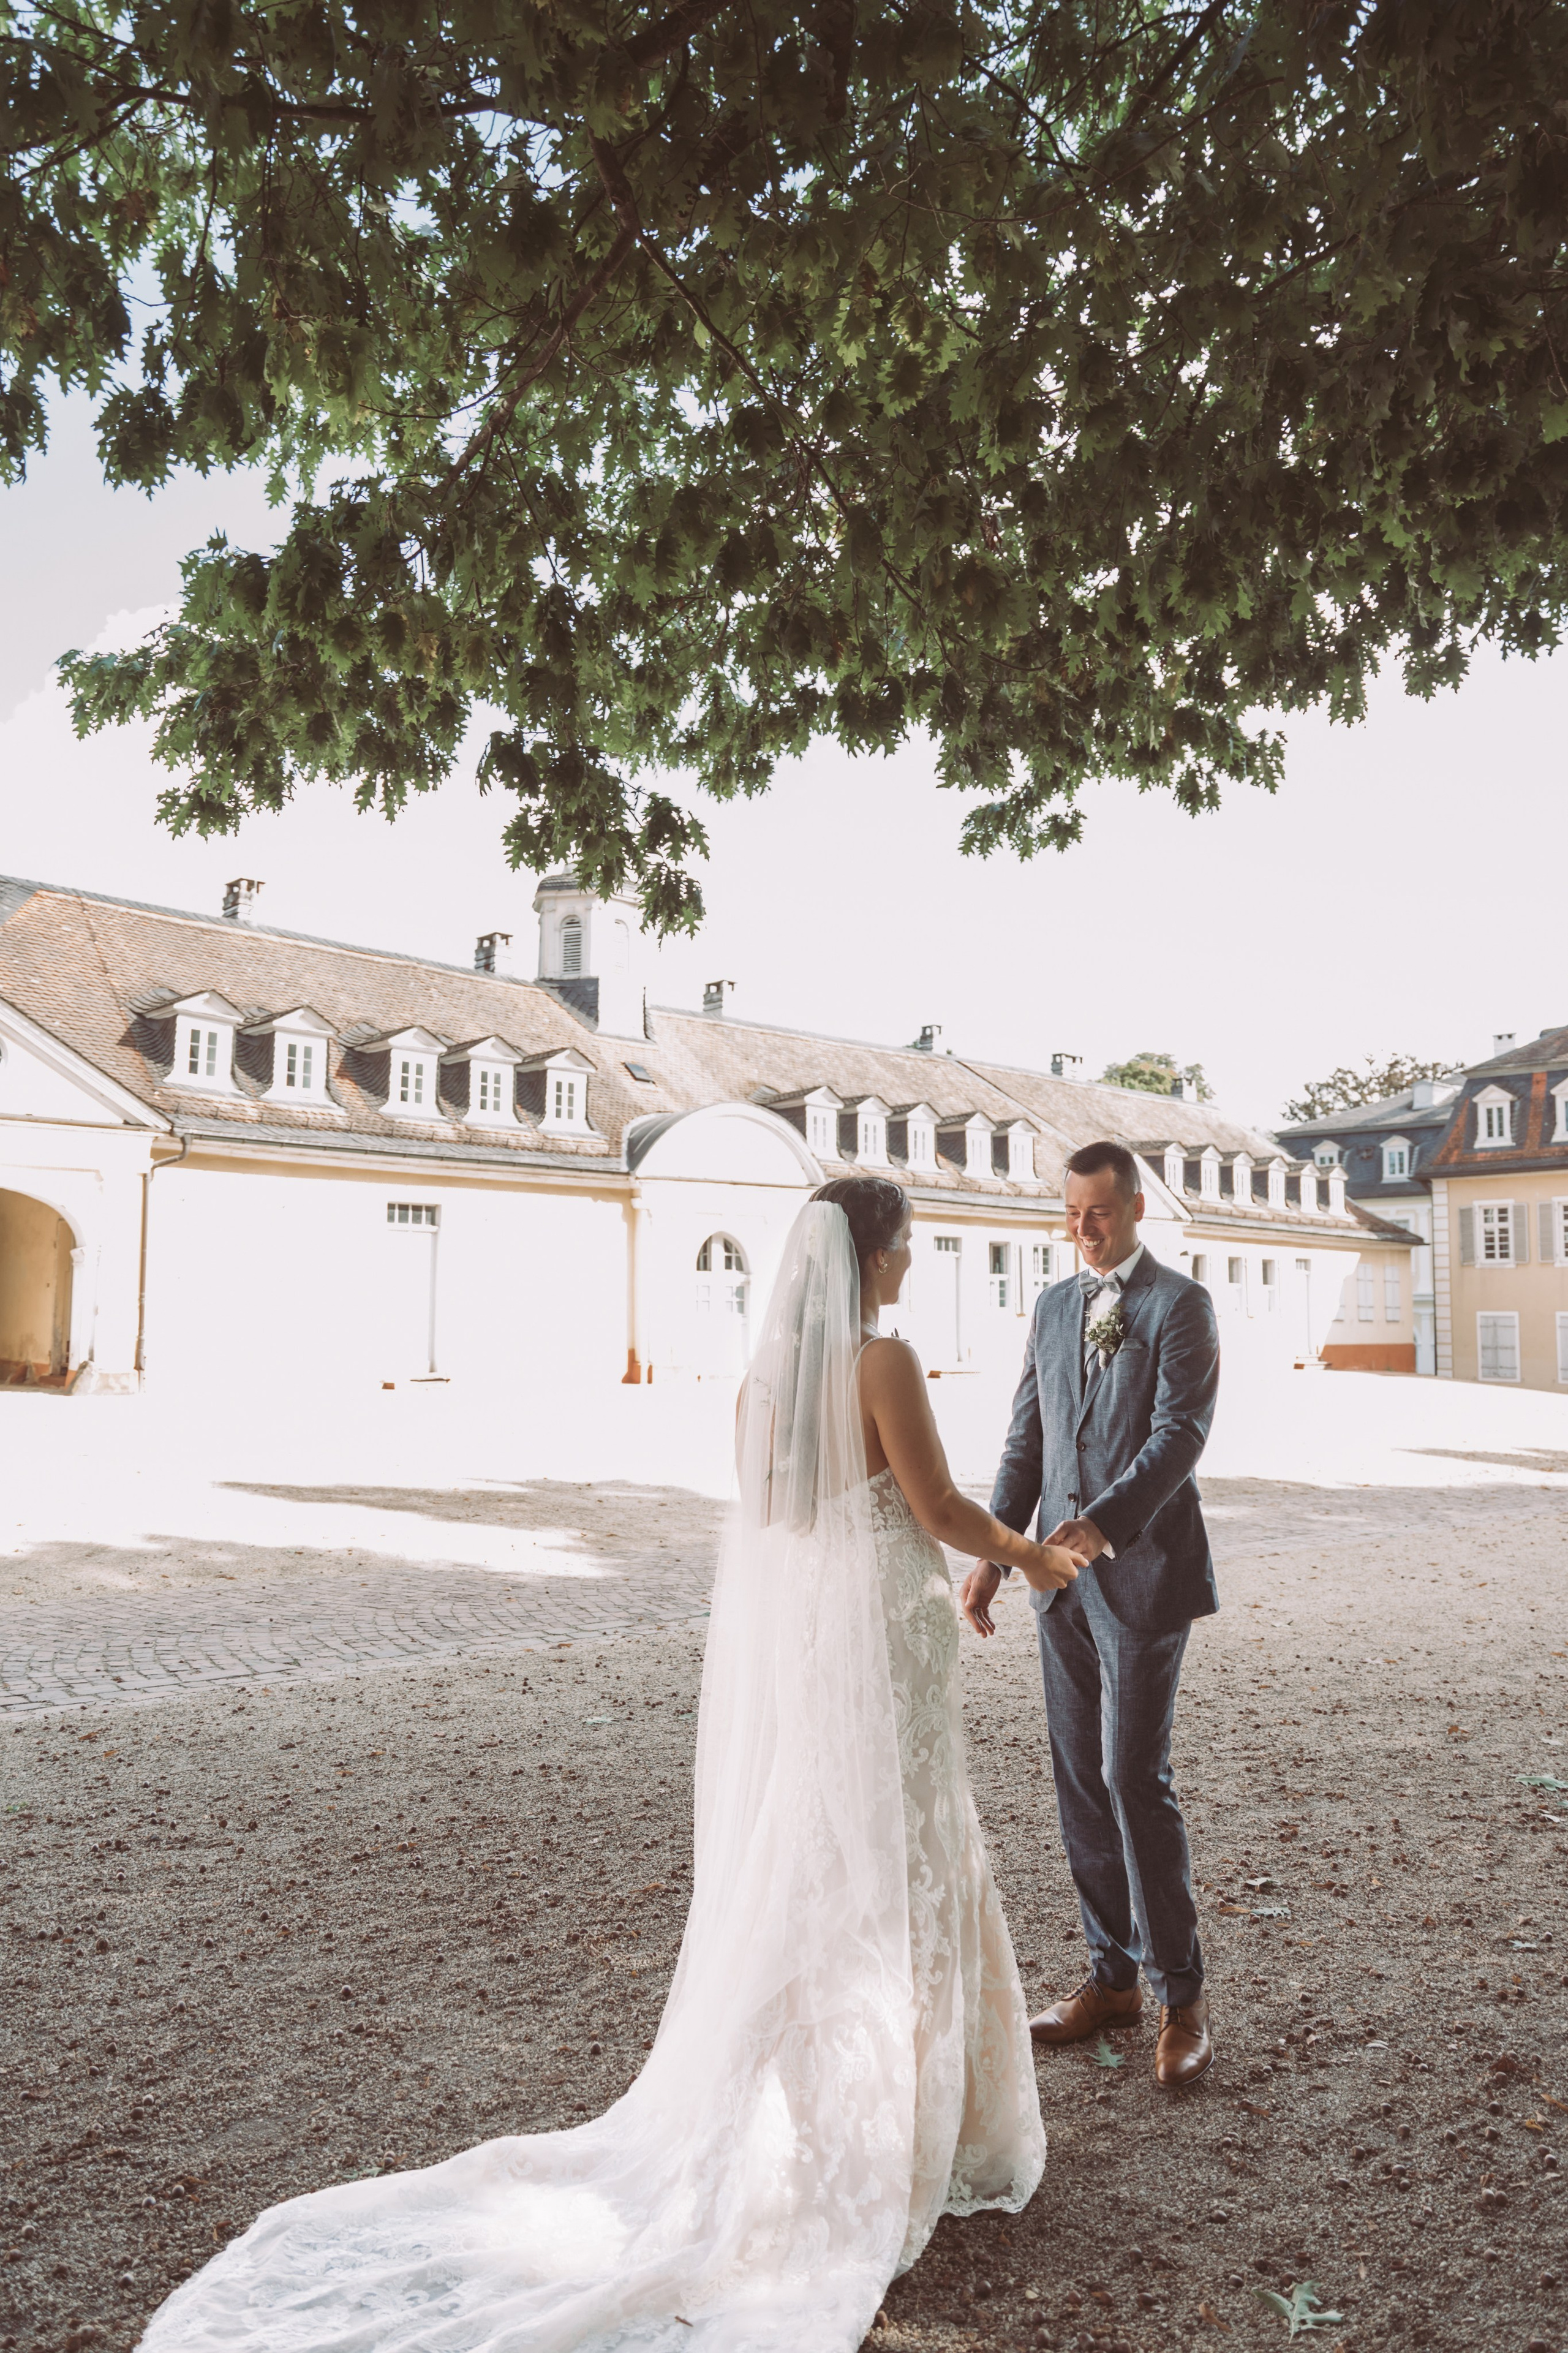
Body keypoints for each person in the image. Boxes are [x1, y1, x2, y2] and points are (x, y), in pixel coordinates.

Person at [138, 1177, 1084, 2353]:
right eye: (900, 1250)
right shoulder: (881, 1361)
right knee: (905, 1844)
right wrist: (1033, 1556)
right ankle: (900, 2128)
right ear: (872, 1254)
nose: (903, 1269)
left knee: (825, 1843)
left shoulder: (763, 1384)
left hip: (818, 1640)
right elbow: (936, 1502)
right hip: (883, 1639)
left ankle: (812, 2103)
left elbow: (781, 1523)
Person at [960, 1139, 1221, 2090]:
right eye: (1071, 1211)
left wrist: (1102, 1527)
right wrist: (997, 1556)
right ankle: (1110, 1979)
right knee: (1078, 1775)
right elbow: (1026, 1436)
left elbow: (1179, 1436)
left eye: (1098, 1212)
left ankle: (1182, 1995)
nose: (1082, 1228)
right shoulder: (1052, 1306)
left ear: (1136, 1206)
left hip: (1145, 1576)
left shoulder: (1181, 1305)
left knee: (1130, 1772)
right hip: (1053, 1583)